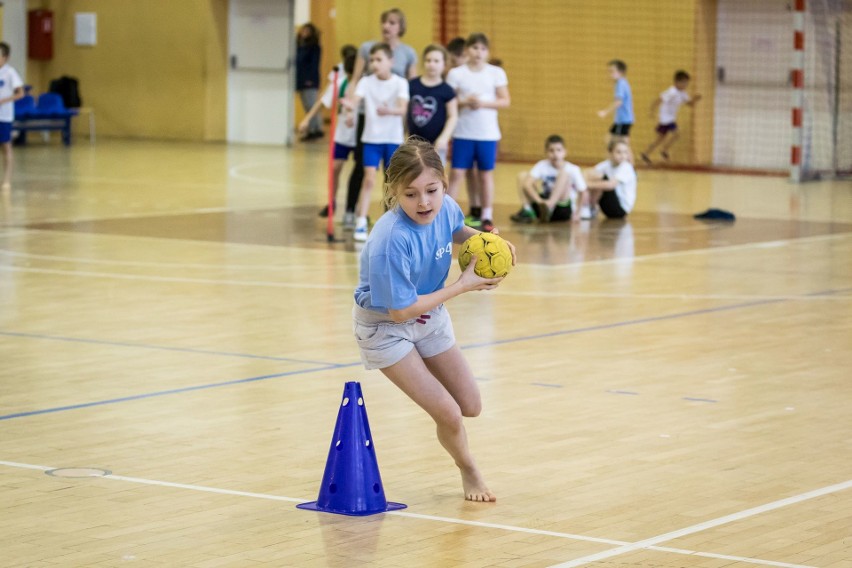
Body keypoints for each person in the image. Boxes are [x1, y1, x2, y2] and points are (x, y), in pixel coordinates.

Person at [352, 137, 515, 502]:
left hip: (428, 314)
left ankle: (462, 452)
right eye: (410, 194)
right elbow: (400, 311)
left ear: (444, 184)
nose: (424, 202)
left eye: (432, 190)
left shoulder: (446, 207)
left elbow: (458, 230)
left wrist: (492, 244)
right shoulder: (391, 240)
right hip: (385, 327)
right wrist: (462, 286)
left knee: (470, 405)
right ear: (393, 192)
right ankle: (469, 470)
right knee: (449, 413)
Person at [343, 8, 418, 230]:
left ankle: (390, 218)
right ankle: (355, 213)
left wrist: (399, 114)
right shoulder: (366, 50)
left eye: (393, 23)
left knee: (391, 176)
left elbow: (409, 91)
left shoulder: (406, 58)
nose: (387, 26)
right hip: (370, 122)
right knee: (363, 170)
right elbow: (356, 81)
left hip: (392, 127)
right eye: (385, 22)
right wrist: (349, 108)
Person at [446, 33, 510, 234]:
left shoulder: (496, 73)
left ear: (487, 52)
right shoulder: (456, 74)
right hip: (463, 132)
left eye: (482, 49)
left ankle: (486, 215)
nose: (478, 52)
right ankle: (448, 215)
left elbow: (505, 100)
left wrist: (482, 103)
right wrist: (466, 101)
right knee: (457, 173)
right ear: (467, 50)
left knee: (485, 175)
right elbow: (449, 100)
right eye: (474, 48)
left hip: (487, 134)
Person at [298, 52, 358, 217]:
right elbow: (322, 102)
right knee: (335, 168)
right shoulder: (340, 84)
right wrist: (307, 119)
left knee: (359, 174)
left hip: (361, 136)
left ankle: (355, 208)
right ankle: (331, 201)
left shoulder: (366, 84)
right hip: (342, 136)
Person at [445, 36, 482, 228]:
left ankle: (477, 208)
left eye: (453, 59)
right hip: (460, 129)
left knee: (474, 172)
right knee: (460, 171)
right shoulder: (456, 75)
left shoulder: (471, 75)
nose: (451, 64)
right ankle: (449, 211)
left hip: (476, 130)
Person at [510, 134, 587, 223]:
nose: (555, 154)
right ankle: (528, 210)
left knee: (564, 173)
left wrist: (578, 213)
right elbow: (527, 184)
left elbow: (583, 191)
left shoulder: (572, 169)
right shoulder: (542, 165)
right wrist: (540, 202)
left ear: (565, 152)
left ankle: (550, 205)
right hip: (544, 204)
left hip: (562, 207)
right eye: (551, 151)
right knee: (522, 176)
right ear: (546, 152)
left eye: (558, 150)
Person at [407, 45, 457, 165]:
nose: (431, 64)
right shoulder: (412, 85)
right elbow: (405, 112)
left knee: (434, 178)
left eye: (436, 61)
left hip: (436, 145)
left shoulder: (447, 90)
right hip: (413, 144)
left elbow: (453, 116)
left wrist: (444, 137)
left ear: (444, 64)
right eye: (428, 60)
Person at [640, 70, 702, 164]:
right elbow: (659, 100)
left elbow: (690, 104)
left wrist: (695, 99)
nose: (686, 85)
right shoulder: (671, 91)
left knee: (663, 138)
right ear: (677, 82)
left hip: (671, 118)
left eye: (687, 83)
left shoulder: (683, 93)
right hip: (665, 118)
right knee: (671, 135)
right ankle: (661, 151)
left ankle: (647, 153)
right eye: (684, 82)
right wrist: (652, 111)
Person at [584, 140, 637, 219]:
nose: (622, 155)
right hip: (607, 206)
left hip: (620, 209)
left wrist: (587, 185)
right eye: (619, 152)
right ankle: (587, 207)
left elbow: (611, 185)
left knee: (601, 179)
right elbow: (589, 173)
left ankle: (591, 208)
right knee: (593, 175)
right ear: (610, 153)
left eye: (625, 152)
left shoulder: (626, 167)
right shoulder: (607, 164)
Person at [0, 42, 24, 192]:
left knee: (6, 146)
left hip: (4, 116)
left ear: (6, 57)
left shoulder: (10, 73)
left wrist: (4, 100)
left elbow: (20, 93)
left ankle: (7, 179)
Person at [295, 23, 323, 141]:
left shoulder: (314, 47)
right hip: (301, 79)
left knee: (312, 106)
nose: (304, 33)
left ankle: (315, 130)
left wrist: (310, 80)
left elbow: (313, 65)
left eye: (307, 31)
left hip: (309, 80)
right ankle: (312, 129)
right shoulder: (299, 46)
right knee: (307, 106)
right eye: (303, 30)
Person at [597, 59, 633, 147]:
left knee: (613, 142)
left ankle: (620, 161)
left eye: (612, 71)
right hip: (623, 120)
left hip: (623, 120)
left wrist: (605, 112)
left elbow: (618, 102)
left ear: (621, 72)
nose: (610, 74)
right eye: (609, 71)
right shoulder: (623, 82)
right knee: (619, 144)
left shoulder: (620, 83)